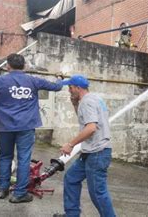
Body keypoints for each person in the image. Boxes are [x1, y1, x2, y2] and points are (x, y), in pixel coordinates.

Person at [0, 53, 63, 203]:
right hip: (26, 126)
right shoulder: (33, 81)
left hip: (5, 127)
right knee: (23, 159)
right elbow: (56, 87)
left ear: (7, 66)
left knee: (5, 157)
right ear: (24, 66)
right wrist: (59, 79)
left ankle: (2, 190)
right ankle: (19, 194)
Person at [54, 75, 115, 217]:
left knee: (98, 193)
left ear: (78, 88)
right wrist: (75, 104)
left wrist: (70, 144)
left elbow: (91, 127)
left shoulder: (87, 102)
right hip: (90, 151)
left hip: (97, 153)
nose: (69, 90)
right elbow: (85, 120)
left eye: (70, 88)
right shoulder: (93, 98)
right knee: (71, 178)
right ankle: (72, 214)